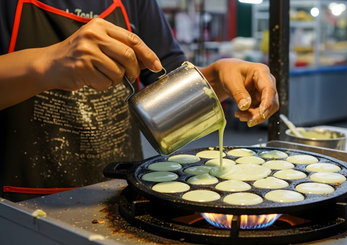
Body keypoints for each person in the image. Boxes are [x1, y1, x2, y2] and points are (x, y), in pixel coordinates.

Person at [0, 0, 279, 201]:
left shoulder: (136, 3)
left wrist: (214, 82)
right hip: (19, 204)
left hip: (123, 195)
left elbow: (165, 82)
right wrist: (45, 63)